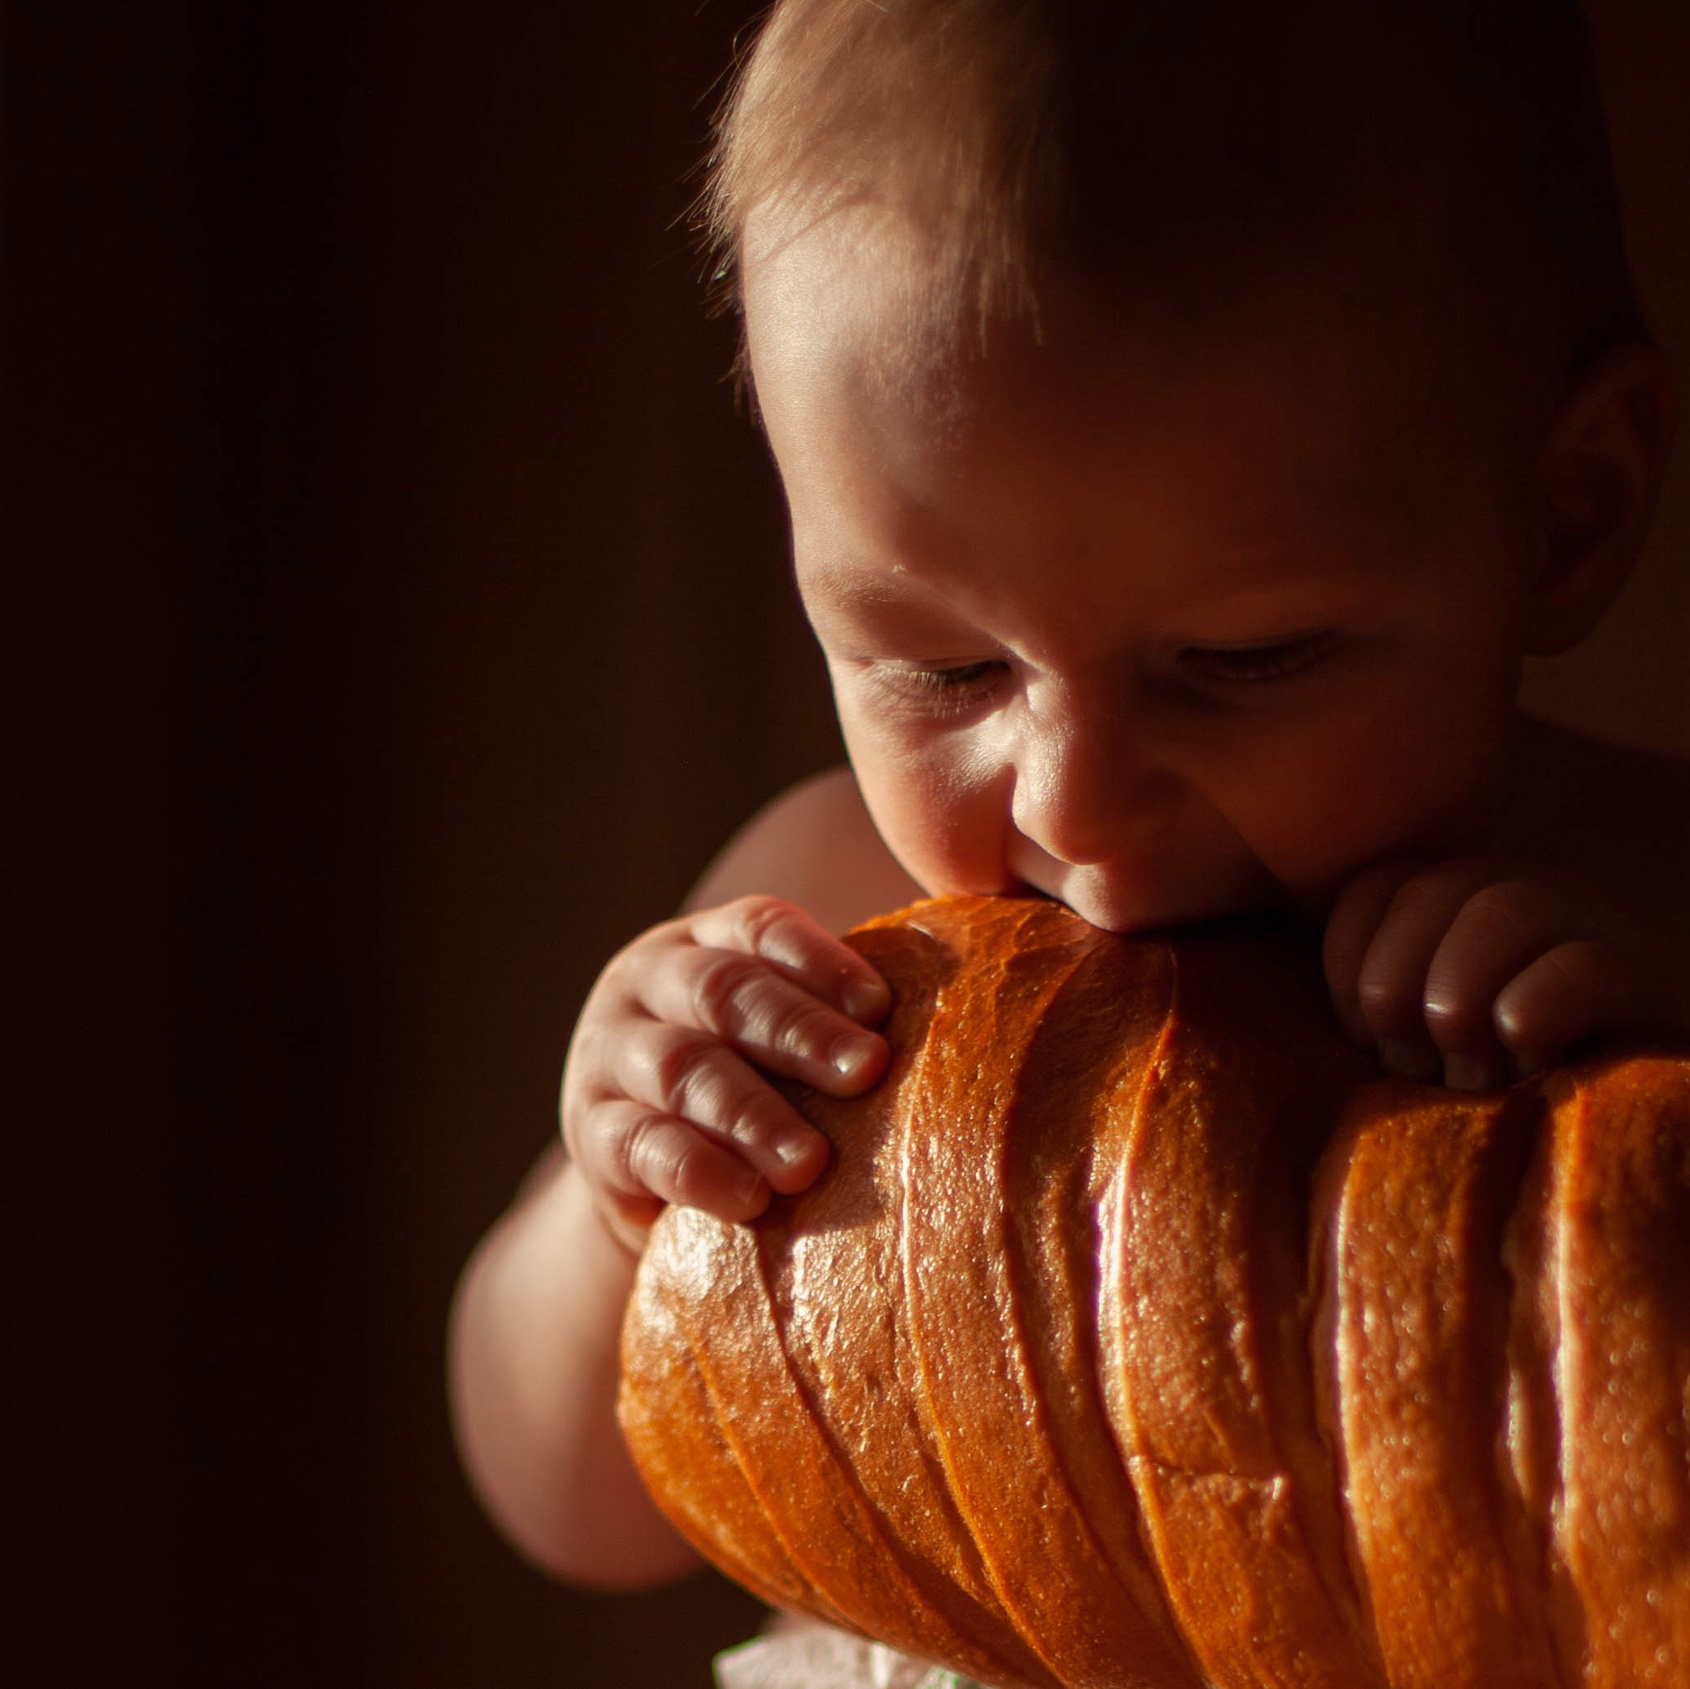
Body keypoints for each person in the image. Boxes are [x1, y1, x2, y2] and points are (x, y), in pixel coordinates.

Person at [448, 0, 1690, 1679]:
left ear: (1565, 515)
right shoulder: (819, 944)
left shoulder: (1647, 896)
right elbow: (568, 1505)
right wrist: (620, 1208)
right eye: (940, 667)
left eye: (1244, 657)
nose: (1072, 805)